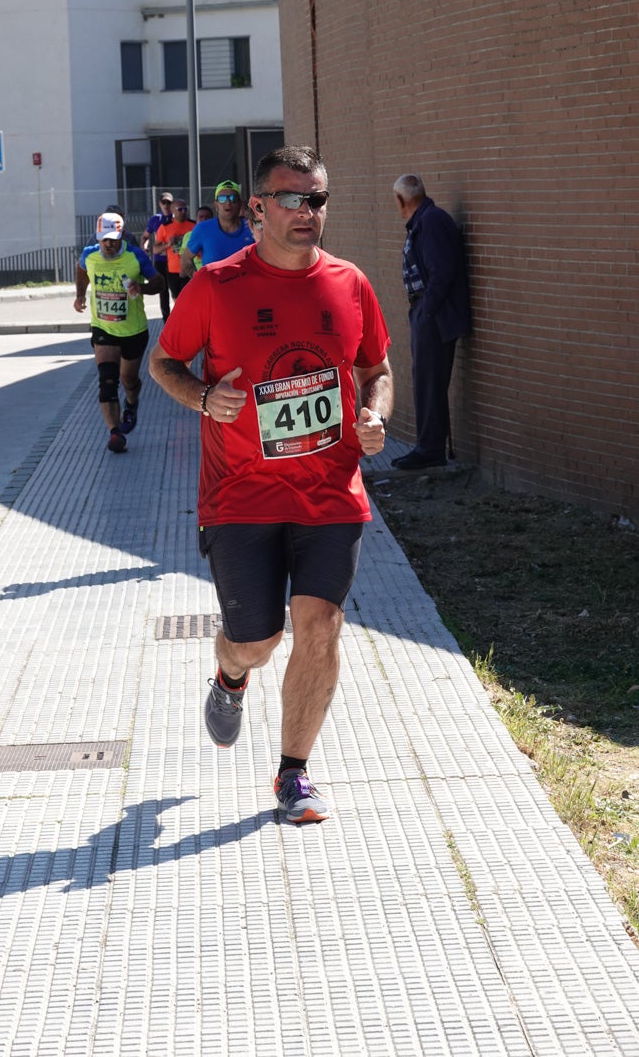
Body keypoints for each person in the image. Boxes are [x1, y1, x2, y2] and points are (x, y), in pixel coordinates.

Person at [149, 146, 393, 823]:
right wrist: (202, 398)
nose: (305, 211)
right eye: (290, 198)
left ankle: (293, 774)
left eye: (315, 199)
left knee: (320, 625)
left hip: (331, 492)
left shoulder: (349, 284)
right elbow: (163, 362)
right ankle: (230, 675)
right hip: (240, 496)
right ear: (257, 208)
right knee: (257, 640)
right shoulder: (218, 285)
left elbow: (377, 369)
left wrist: (375, 415)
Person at [391, 174, 471, 470]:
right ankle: (430, 445)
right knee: (426, 379)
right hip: (427, 312)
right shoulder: (425, 221)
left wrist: (428, 310)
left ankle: (429, 448)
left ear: (401, 200)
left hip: (434, 315)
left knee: (429, 381)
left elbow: (442, 271)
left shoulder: (432, 221)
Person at [74, 211, 164, 453]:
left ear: (121, 235)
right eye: (104, 239)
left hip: (134, 330)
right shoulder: (89, 255)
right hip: (103, 327)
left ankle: (132, 403)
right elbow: (82, 271)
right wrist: (80, 295)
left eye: (113, 238)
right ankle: (114, 433)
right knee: (107, 380)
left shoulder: (135, 256)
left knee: (128, 380)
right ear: (97, 236)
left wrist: (141, 288)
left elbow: (159, 282)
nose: (108, 244)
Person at [180, 179, 255, 277]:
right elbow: (185, 259)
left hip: (247, 289)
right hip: (214, 291)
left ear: (240, 204)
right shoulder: (203, 229)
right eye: (222, 199)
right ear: (216, 205)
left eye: (233, 198)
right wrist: (199, 280)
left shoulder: (252, 227)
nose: (228, 202)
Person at [153, 198, 196, 304]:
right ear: (172, 210)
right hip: (173, 270)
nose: (183, 212)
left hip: (190, 269)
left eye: (185, 209)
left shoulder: (193, 225)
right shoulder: (165, 227)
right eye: (180, 209)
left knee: (191, 300)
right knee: (177, 301)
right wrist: (168, 244)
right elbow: (155, 249)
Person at [141, 192, 174, 321]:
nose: (166, 205)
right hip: (160, 260)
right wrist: (145, 246)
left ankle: (180, 319)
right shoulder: (155, 219)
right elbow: (145, 236)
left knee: (177, 292)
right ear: (160, 204)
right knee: (163, 292)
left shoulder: (176, 217)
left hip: (174, 260)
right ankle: (167, 321)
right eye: (163, 202)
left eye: (168, 202)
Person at [181, 205, 213, 271]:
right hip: (197, 275)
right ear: (196, 219)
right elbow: (184, 258)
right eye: (201, 217)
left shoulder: (217, 234)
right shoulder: (188, 235)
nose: (204, 219)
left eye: (207, 217)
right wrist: (194, 275)